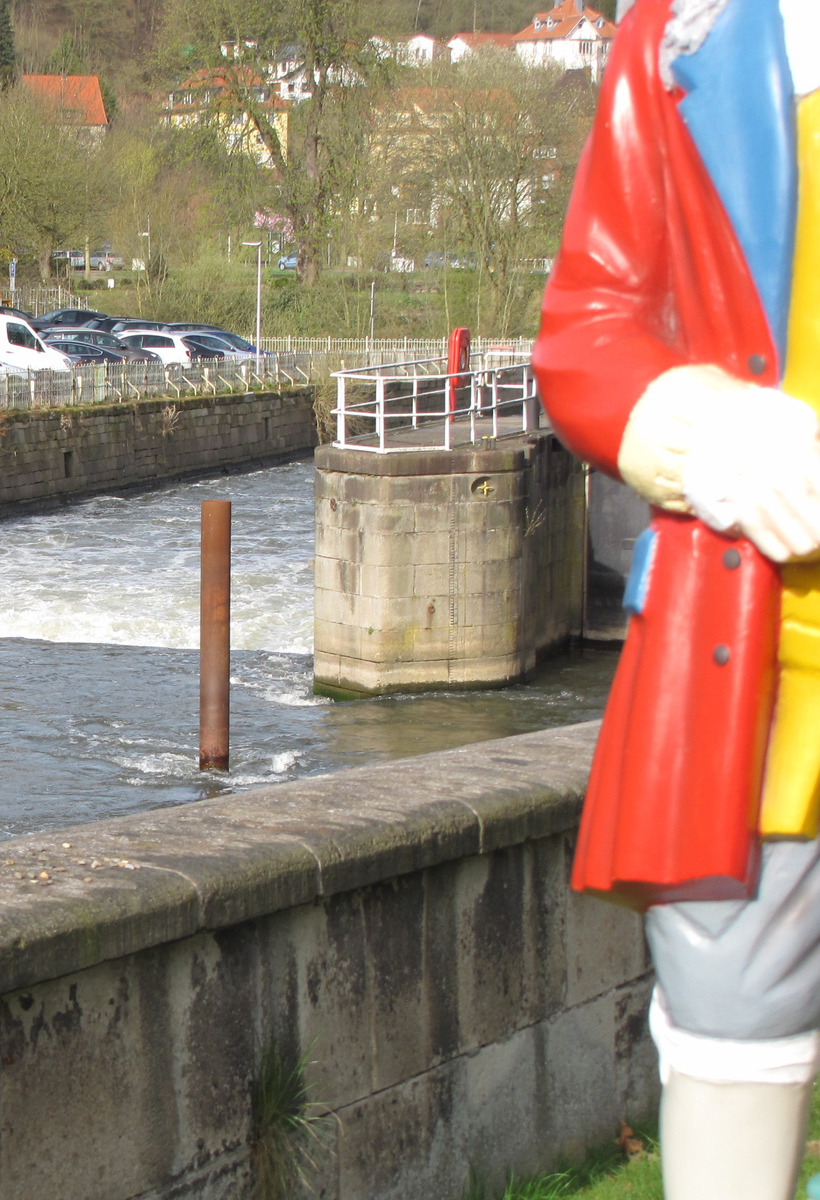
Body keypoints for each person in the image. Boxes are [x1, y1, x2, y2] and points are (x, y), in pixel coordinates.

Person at [535, 0, 820, 1196]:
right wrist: (707, 439)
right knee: (727, 1022)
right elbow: (586, 331)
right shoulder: (688, 32)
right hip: (749, 656)